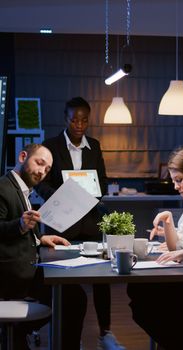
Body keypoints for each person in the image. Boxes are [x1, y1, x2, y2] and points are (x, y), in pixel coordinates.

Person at [36, 96, 126, 350]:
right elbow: (41, 183)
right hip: (61, 226)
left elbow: (103, 182)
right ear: (65, 118)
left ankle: (105, 334)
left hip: (90, 224)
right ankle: (64, 337)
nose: (78, 124)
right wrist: (62, 195)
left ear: (89, 120)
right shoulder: (50, 146)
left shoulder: (94, 146)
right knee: (64, 285)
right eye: (74, 119)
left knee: (101, 279)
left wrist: (90, 194)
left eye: (84, 119)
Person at [0, 143, 87, 350]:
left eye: (47, 169)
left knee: (73, 296)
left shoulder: (21, 190)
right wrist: (20, 226)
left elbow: (21, 225)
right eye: (39, 163)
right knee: (73, 298)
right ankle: (18, 332)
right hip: (11, 277)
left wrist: (41, 238)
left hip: (25, 270)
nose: (42, 172)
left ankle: (19, 333)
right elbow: (12, 225)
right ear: (23, 156)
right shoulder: (3, 188)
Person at [127, 146, 183, 350]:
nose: (175, 186)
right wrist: (168, 221)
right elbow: (177, 246)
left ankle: (179, 342)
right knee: (138, 290)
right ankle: (178, 342)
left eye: (179, 180)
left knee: (147, 300)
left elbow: (182, 250)